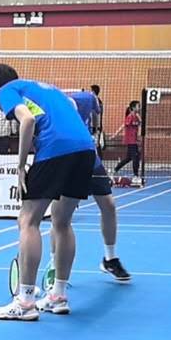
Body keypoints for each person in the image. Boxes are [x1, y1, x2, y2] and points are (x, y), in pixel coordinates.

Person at [0, 64, 96, 321]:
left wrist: (21, 165)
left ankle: (25, 301)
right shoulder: (46, 89)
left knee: (28, 220)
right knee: (62, 222)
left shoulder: (6, 91)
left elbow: (28, 120)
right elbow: (71, 107)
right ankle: (58, 296)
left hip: (55, 149)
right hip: (86, 149)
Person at [66, 89, 132, 284]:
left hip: (90, 159)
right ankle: (55, 266)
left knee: (109, 205)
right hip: (66, 161)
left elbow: (96, 115)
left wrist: (96, 131)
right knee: (62, 217)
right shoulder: (53, 105)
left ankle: (110, 259)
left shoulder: (87, 98)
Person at [112, 100, 142, 177]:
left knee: (129, 158)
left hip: (134, 140)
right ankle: (136, 175)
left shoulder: (136, 117)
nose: (139, 107)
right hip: (130, 140)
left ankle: (115, 169)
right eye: (138, 106)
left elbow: (140, 124)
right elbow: (123, 126)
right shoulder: (130, 117)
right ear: (133, 107)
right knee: (135, 157)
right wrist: (115, 134)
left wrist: (139, 117)